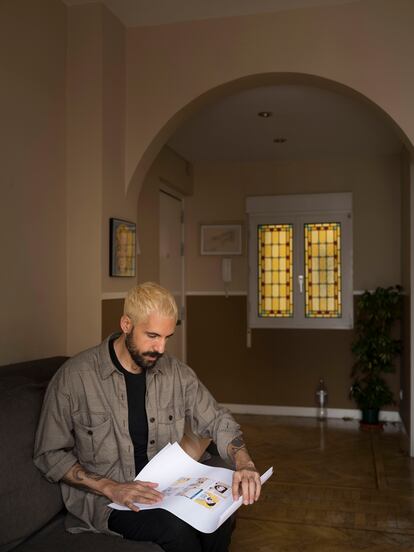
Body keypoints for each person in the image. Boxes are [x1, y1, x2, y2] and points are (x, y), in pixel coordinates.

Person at [34, 282, 261, 552]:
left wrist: (244, 462)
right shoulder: (74, 378)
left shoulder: (177, 374)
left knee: (219, 513)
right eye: (152, 335)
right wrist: (111, 487)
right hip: (110, 499)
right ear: (126, 324)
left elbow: (217, 420)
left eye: (167, 337)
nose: (161, 348)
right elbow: (49, 453)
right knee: (175, 531)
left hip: (170, 488)